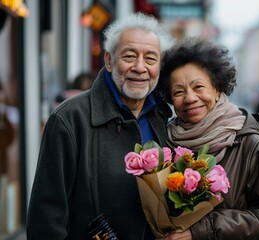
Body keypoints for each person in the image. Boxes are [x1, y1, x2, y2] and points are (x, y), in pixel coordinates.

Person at [26, 12, 174, 239]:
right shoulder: (70, 119)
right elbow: (46, 217)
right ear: (108, 60)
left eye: (151, 59)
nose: (140, 67)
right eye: (129, 56)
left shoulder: (163, 118)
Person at [155, 38, 259, 239]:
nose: (190, 98)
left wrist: (200, 231)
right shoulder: (164, 143)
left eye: (198, 87)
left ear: (217, 88)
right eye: (179, 91)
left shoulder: (250, 145)